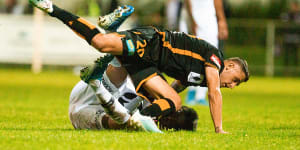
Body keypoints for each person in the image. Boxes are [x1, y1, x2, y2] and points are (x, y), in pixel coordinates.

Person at [29, 0, 249, 134]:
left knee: (173, 100)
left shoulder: (201, 74)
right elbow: (214, 93)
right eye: (235, 80)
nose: (232, 85)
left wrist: (162, 99)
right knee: (101, 44)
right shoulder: (216, 59)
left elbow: (180, 83)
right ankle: (51, 8)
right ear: (229, 65)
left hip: (148, 63)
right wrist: (218, 129)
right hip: (151, 42)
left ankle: (143, 119)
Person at [179, 0, 229, 105]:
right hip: (199, 19)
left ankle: (200, 94)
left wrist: (221, 20)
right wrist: (192, 20)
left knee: (205, 58)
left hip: (207, 18)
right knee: (201, 57)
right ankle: (192, 91)